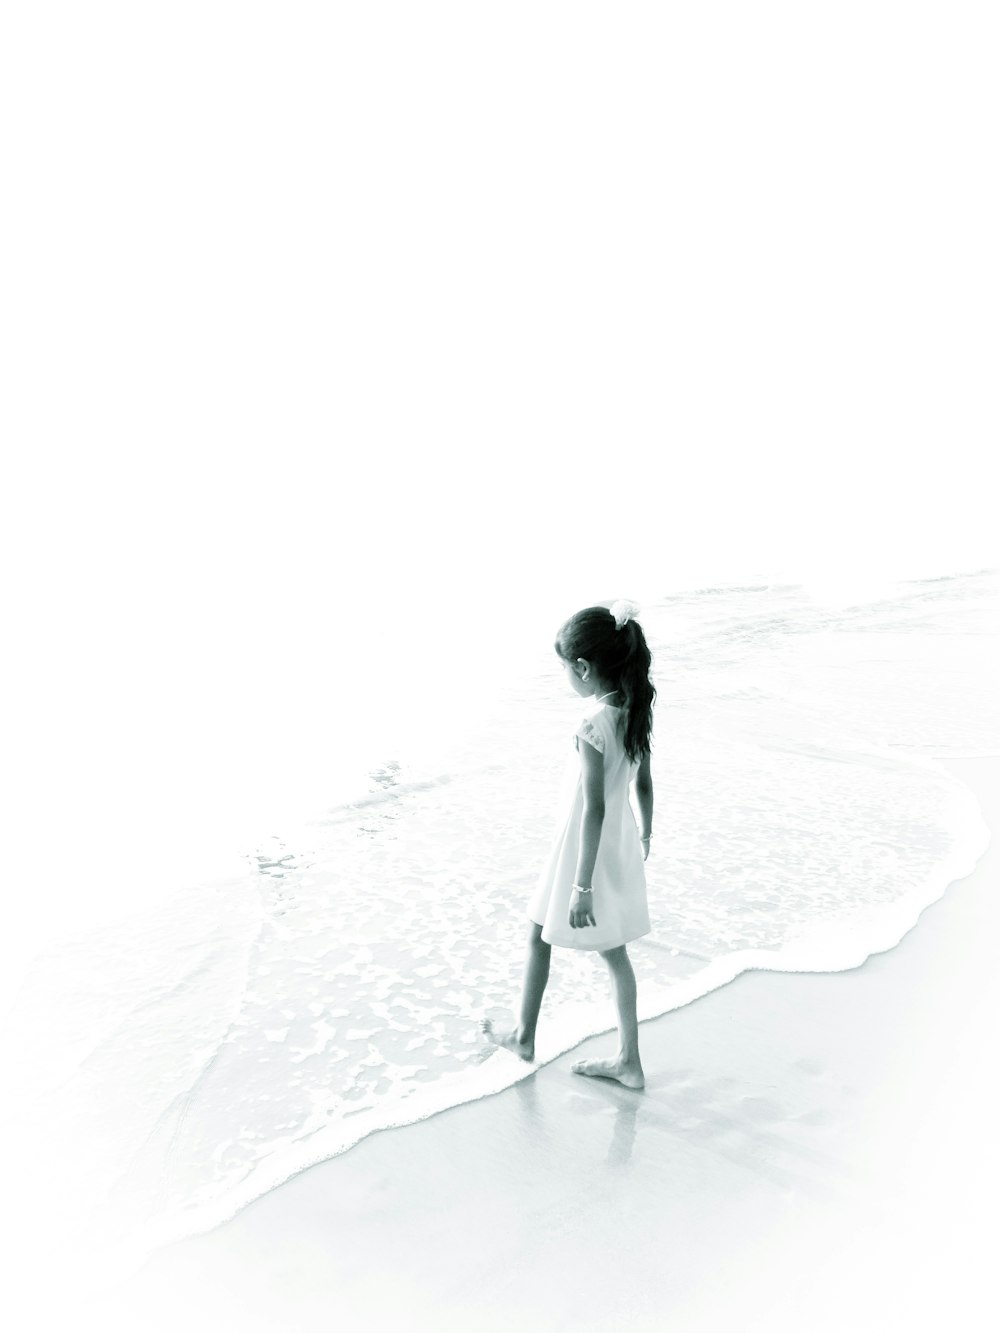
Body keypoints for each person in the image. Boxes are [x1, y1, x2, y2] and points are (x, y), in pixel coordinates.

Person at [483, 599, 656, 1089]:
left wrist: (581, 888)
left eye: (565, 668)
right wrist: (646, 831)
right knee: (613, 953)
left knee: (540, 934)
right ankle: (627, 1059)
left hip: (584, 847)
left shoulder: (590, 725)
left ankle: (525, 1036)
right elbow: (642, 784)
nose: (565, 677)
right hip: (616, 839)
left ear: (583, 667)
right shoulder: (635, 710)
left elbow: (592, 807)